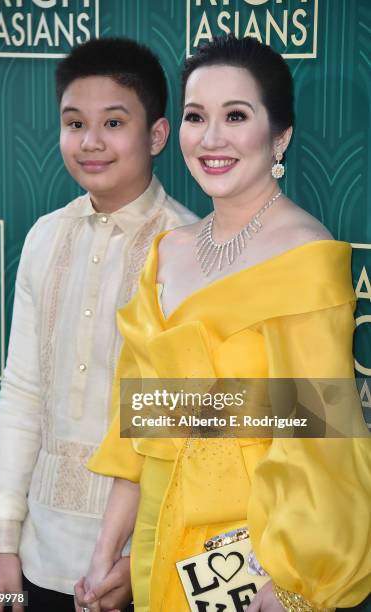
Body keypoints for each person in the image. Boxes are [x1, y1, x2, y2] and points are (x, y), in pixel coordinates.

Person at [75, 35, 371, 612]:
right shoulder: (168, 252)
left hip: (255, 564)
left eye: (236, 115)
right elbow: (140, 425)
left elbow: (322, 445)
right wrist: (107, 552)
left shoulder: (305, 257)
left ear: (279, 134)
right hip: (161, 542)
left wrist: (289, 582)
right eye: (195, 116)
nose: (211, 139)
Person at [0, 36, 197, 612]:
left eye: (113, 123)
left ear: (156, 135)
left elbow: (186, 428)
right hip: (35, 558)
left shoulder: (189, 247)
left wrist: (136, 555)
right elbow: (22, 395)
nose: (91, 142)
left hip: (140, 566)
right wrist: (2, 543)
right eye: (74, 123)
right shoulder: (42, 238)